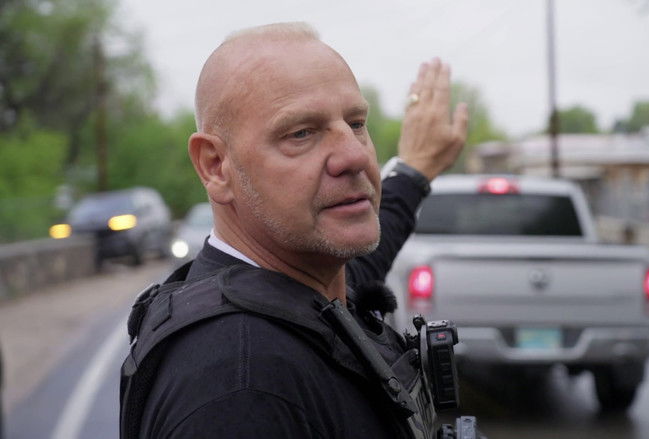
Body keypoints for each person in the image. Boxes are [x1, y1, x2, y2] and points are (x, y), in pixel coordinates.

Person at [121, 22, 468, 439]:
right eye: (301, 133)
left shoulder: (305, 288)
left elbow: (365, 262)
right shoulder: (240, 385)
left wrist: (413, 172)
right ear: (216, 166)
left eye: (356, 123)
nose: (355, 156)